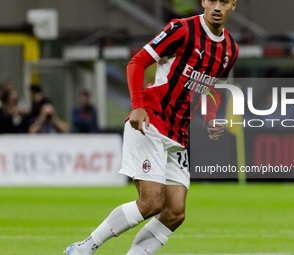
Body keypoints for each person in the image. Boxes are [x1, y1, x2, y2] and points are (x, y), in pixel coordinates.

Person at [64, 0, 238, 254]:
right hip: (151, 120)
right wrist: (137, 105)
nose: (217, 6)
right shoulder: (181, 29)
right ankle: (83, 248)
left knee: (175, 213)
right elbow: (136, 62)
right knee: (151, 202)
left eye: (224, 1)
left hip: (178, 132)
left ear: (233, 5)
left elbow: (209, 87)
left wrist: (211, 117)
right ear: (203, 2)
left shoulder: (230, 50)